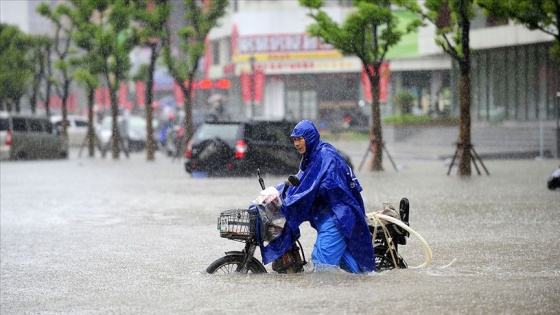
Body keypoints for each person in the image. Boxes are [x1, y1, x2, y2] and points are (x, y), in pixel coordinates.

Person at [260, 119, 376, 273]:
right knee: (350, 268)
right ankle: (363, 286)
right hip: (327, 216)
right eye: (294, 139)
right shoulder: (310, 156)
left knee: (321, 262)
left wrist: (293, 200)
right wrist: (275, 191)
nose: (296, 143)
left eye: (300, 139)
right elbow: (302, 181)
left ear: (309, 137)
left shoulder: (326, 156)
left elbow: (316, 187)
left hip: (337, 217)